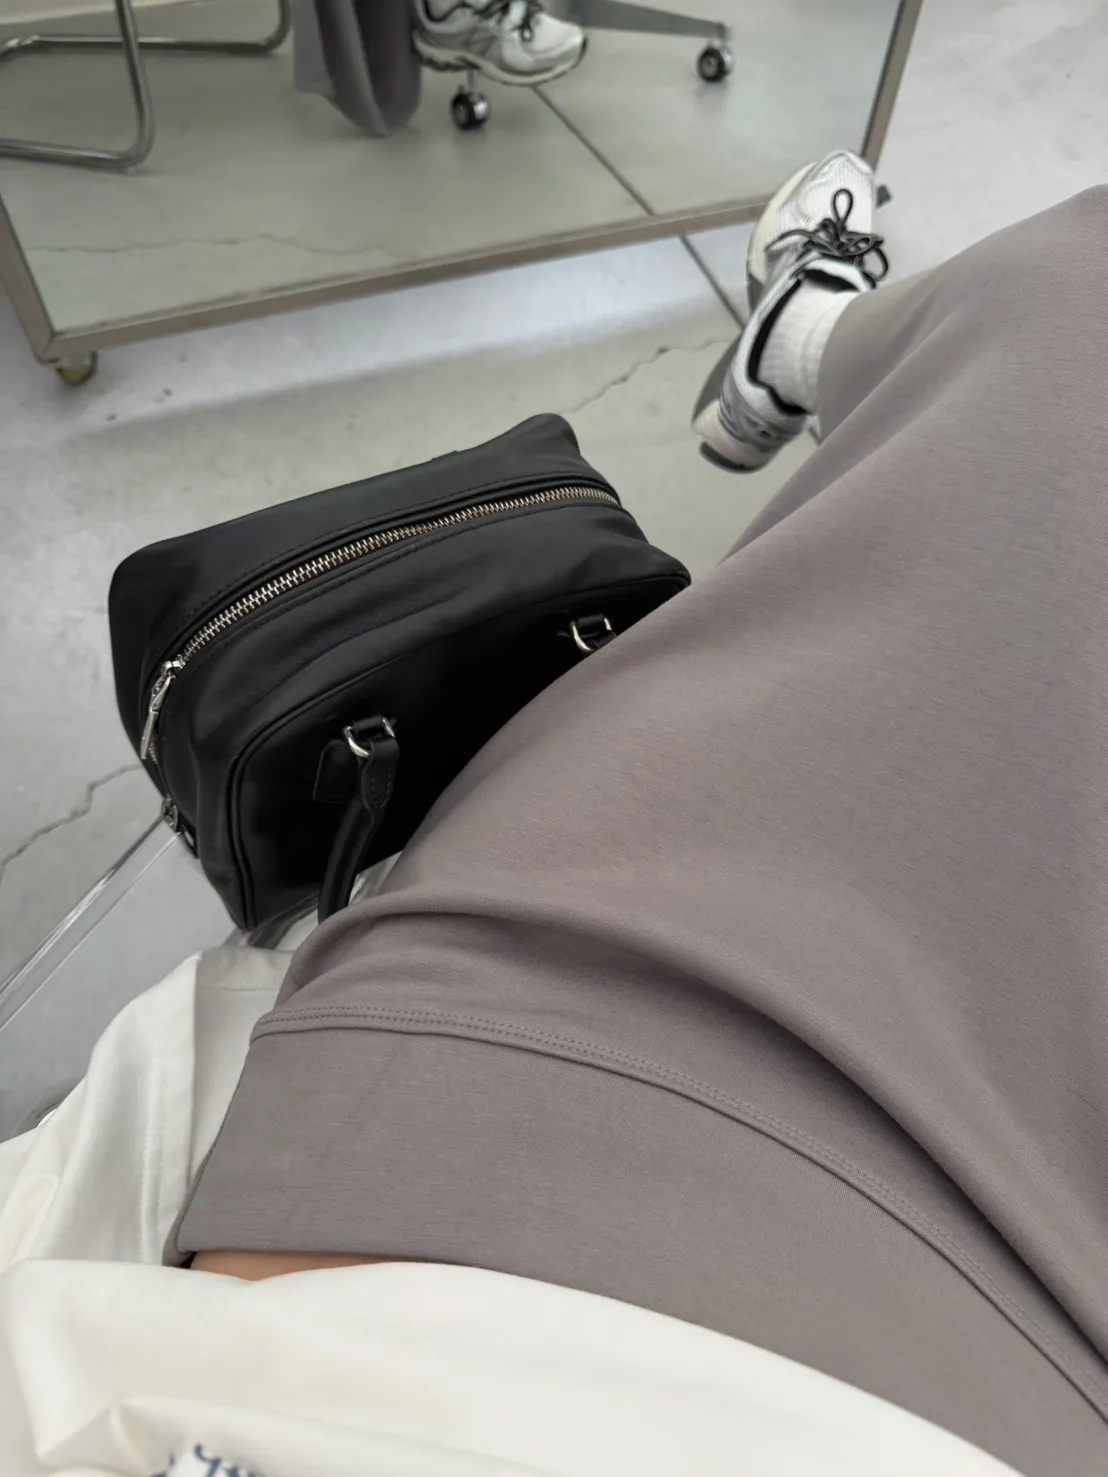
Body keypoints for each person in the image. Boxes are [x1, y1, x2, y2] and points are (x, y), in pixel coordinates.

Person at [3, 155, 1106, 1477]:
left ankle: (804, 337)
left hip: (524, 1042)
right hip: (979, 1331)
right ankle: (804, 338)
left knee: (1069, 317)